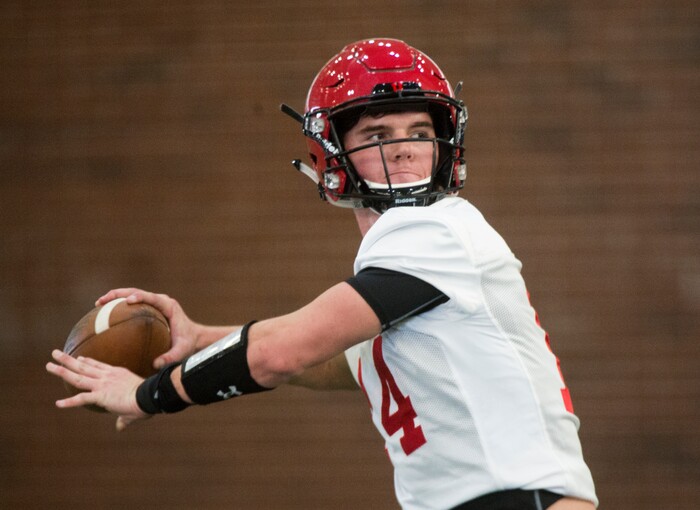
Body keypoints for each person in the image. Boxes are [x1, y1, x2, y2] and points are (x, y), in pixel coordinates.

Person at [46, 38, 598, 510]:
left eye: (420, 130)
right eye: (378, 136)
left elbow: (281, 353)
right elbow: (341, 362)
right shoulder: (410, 261)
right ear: (330, 154)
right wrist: (200, 340)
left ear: (445, 141)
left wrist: (149, 394)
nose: (404, 149)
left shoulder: (436, 231)